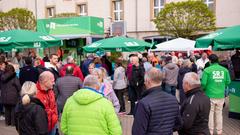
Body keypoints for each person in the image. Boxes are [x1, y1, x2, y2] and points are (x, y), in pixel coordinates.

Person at [132, 67, 181, 135]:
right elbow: (178, 124)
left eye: (145, 81)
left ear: (147, 81)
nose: (144, 83)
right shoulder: (173, 99)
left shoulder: (143, 103)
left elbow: (137, 132)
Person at [201, 54, 231, 135]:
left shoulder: (207, 70)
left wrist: (202, 90)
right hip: (221, 95)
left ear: (210, 61)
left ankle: (210, 131)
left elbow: (203, 83)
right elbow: (228, 82)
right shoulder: (225, 70)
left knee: (210, 113)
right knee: (219, 113)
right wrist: (221, 85)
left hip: (209, 95)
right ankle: (219, 131)